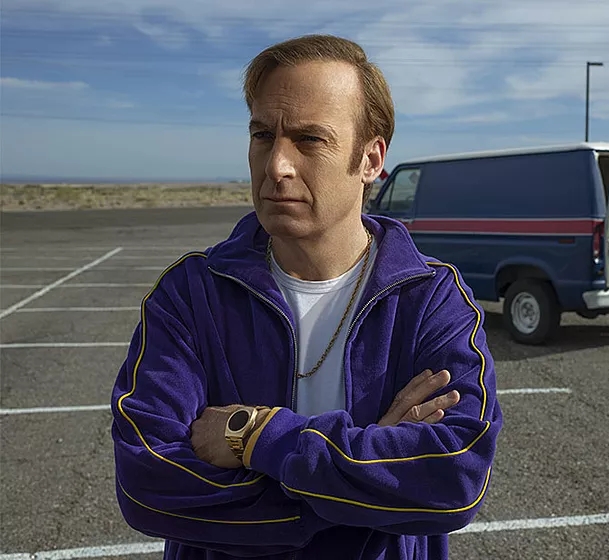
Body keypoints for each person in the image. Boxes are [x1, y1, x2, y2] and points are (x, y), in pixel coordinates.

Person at [110, 34, 503, 560]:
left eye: (309, 139)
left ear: (370, 159)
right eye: (262, 135)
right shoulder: (191, 294)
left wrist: (256, 436)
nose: (276, 165)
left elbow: (455, 477)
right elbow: (146, 482)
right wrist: (362, 487)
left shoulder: (430, 298)